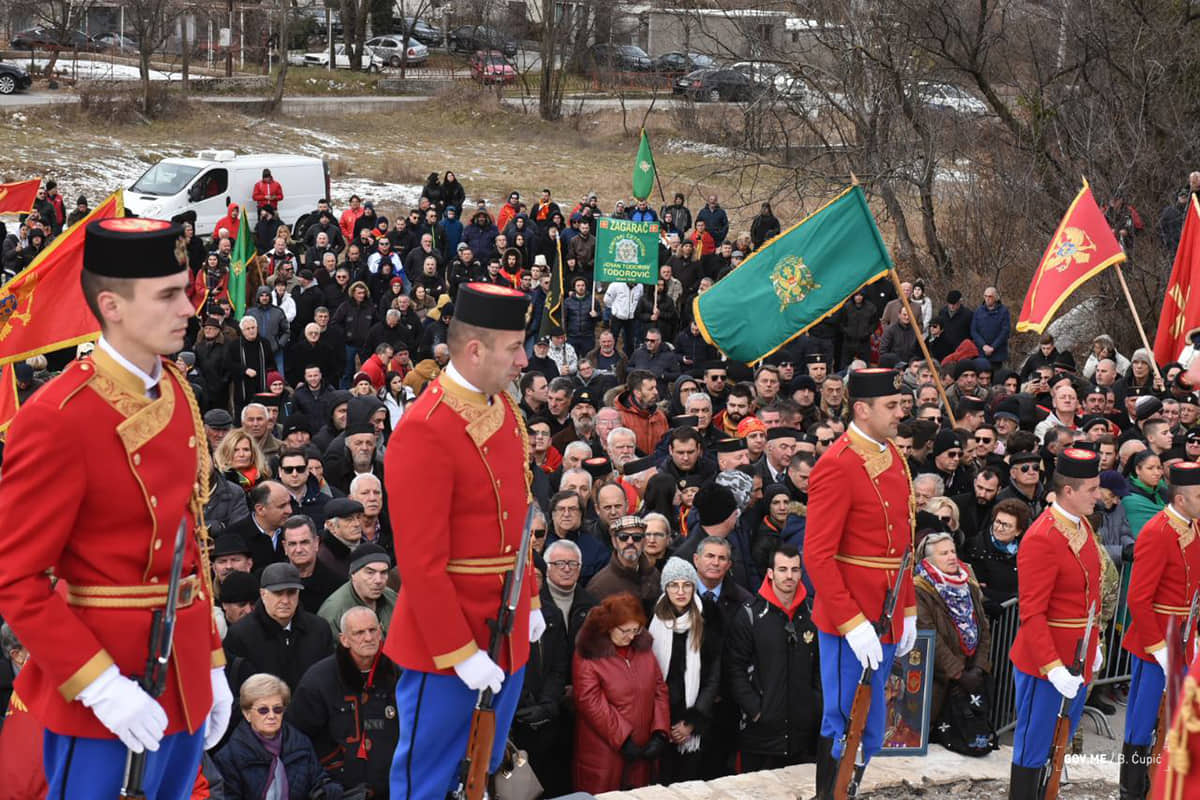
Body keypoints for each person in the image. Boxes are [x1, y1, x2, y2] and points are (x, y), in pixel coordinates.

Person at [0, 218, 232, 797]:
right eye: (169, 294)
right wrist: (100, 685)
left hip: (181, 671)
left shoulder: (175, 388)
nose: (189, 306)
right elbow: (16, 577)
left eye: (187, 288)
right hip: (105, 681)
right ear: (113, 305)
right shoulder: (58, 416)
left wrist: (210, 658)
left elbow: (189, 535)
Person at [381, 283, 544, 799]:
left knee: (485, 764)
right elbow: (421, 562)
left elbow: (519, 523)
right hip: (450, 637)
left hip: (507, 621)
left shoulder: (506, 411)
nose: (524, 360)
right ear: (475, 349)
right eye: (514, 347)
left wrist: (532, 596)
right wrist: (459, 652)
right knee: (429, 777)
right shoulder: (423, 428)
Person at [804, 367, 917, 797]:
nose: (899, 414)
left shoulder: (895, 456)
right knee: (842, 721)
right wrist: (852, 622)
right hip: (848, 617)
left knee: (871, 727)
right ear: (861, 409)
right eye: (890, 406)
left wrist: (907, 609)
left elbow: (903, 544)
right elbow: (817, 555)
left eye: (900, 404)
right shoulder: (837, 464)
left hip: (886, 612)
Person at [1008, 449, 1105, 799]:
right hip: (1046, 661)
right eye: (1092, 489)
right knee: (1034, 745)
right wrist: (1053, 667)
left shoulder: (1081, 526)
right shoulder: (1042, 537)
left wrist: (1095, 645)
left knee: (1060, 742)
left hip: (1079, 654)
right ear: (1068, 491)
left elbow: (1090, 595)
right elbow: (1032, 613)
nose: (1099, 495)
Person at [1118, 462, 1200, 798]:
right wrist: (1159, 648)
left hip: (1188, 636)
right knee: (1144, 719)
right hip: (1158, 641)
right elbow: (1138, 598)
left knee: (1183, 718)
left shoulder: (1194, 526)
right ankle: (1132, 789)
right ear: (1181, 499)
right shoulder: (1156, 531)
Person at [727, 544, 822, 771]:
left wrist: (813, 706)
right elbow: (734, 669)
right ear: (770, 573)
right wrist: (756, 710)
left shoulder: (813, 613)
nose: (789, 576)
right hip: (760, 735)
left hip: (802, 736)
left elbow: (820, 666)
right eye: (782, 569)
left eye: (795, 570)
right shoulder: (750, 614)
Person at [288, 606, 399, 797]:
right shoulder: (319, 680)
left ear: (381, 631)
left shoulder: (398, 674)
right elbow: (297, 738)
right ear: (344, 639)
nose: (368, 638)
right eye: (359, 633)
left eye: (373, 630)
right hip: (340, 788)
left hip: (392, 785)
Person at [572, 592, 671, 792]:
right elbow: (590, 703)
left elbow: (659, 689)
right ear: (609, 626)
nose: (631, 636)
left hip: (642, 747)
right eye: (625, 630)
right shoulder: (589, 654)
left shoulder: (643, 649)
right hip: (604, 750)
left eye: (636, 630)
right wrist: (624, 739)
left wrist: (660, 732)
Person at [645, 557, 722, 783]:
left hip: (695, 720)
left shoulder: (708, 617)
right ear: (665, 588)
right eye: (673, 585)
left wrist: (691, 723)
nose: (681, 591)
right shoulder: (653, 618)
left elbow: (713, 677)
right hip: (659, 717)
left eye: (687, 584)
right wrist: (662, 722)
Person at [212, 673, 342, 800]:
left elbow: (318, 781)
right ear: (247, 714)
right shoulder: (228, 757)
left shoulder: (300, 743)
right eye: (263, 710)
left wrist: (329, 790)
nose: (271, 716)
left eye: (277, 709)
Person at [913, 532, 992, 740]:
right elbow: (928, 634)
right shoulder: (919, 588)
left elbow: (983, 627)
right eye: (943, 553)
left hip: (970, 675)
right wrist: (958, 674)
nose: (951, 557)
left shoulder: (969, 585)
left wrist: (977, 668)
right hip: (936, 682)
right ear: (928, 560)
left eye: (953, 551)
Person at [222, 563, 336, 692]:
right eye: (278, 593)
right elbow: (233, 691)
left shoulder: (319, 629)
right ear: (263, 594)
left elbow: (329, 681)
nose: (285, 600)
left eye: (291, 592)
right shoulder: (240, 635)